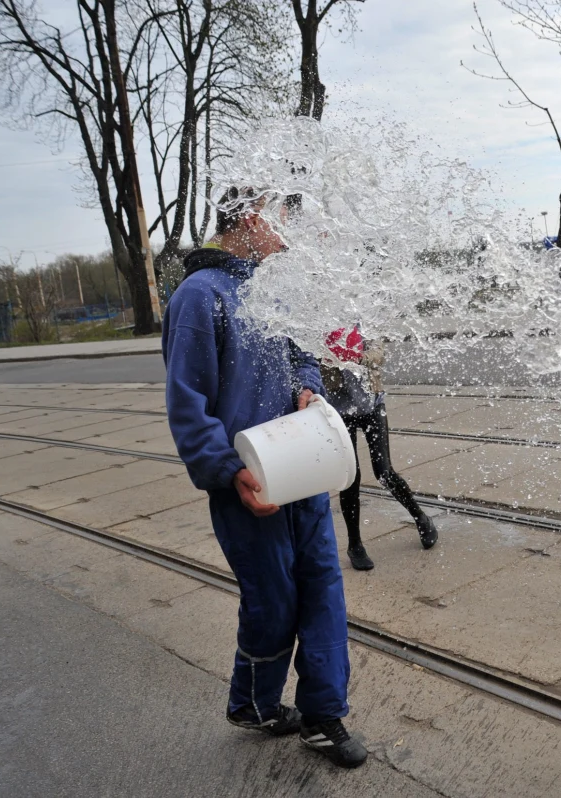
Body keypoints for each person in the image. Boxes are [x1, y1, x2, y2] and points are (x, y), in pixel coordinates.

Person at [161, 188, 367, 769]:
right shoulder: (199, 296)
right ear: (250, 216)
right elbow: (186, 403)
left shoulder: (272, 291)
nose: (287, 232)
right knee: (272, 603)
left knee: (323, 588)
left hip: (302, 469)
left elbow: (303, 356)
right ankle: (253, 703)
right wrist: (228, 471)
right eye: (280, 217)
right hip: (247, 484)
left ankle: (323, 715)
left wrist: (308, 387)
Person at [321, 325, 439, 571]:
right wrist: (329, 357)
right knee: (351, 478)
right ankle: (355, 545)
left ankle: (421, 517)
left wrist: (355, 356)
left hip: (372, 405)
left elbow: (378, 354)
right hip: (338, 413)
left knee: (384, 471)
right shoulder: (319, 324)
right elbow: (312, 365)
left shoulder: (363, 321)